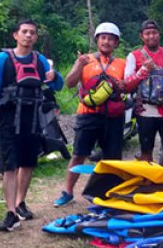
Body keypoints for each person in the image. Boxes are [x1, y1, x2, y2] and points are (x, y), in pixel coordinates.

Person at [0, 20, 63, 231]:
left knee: (28, 163)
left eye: (32, 33)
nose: (28, 36)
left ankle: (20, 202)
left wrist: (53, 75)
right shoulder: (3, 59)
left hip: (33, 119)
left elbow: (57, 85)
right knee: (10, 165)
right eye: (24, 32)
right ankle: (10, 211)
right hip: (9, 118)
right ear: (15, 35)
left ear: (36, 37)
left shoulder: (40, 60)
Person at [54, 22, 128, 207]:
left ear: (116, 43)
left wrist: (123, 87)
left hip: (113, 117)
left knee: (112, 157)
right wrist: (79, 65)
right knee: (79, 154)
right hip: (88, 115)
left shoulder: (122, 64)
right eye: (103, 38)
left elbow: (128, 87)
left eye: (111, 39)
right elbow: (70, 83)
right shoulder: (85, 60)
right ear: (97, 40)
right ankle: (68, 192)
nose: (106, 42)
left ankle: (107, 193)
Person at [124, 20, 163, 163]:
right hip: (145, 111)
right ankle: (146, 183)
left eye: (154, 32)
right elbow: (126, 85)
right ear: (141, 36)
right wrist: (143, 71)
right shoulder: (134, 56)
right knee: (146, 153)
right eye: (147, 33)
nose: (151, 36)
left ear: (159, 34)